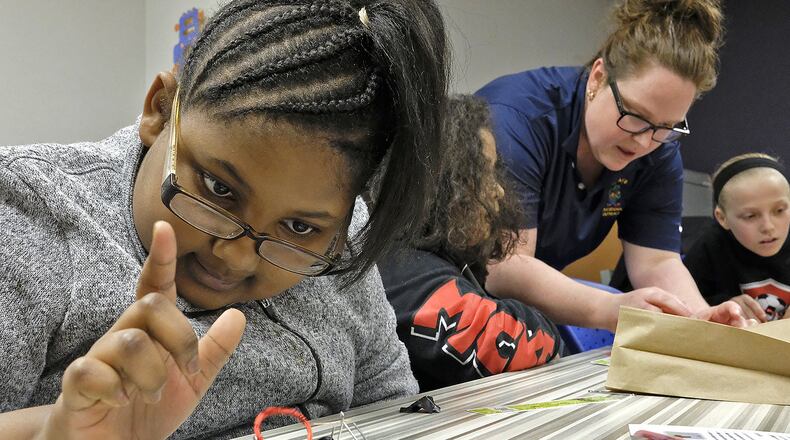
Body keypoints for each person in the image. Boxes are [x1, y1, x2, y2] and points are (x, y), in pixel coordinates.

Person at [0, 1, 448, 439]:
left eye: (299, 228)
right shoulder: (29, 212)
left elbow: (394, 410)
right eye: (218, 189)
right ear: (160, 109)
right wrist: (56, 431)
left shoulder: (341, 245)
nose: (234, 258)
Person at [475, 0, 749, 332]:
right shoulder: (516, 119)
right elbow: (507, 265)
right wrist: (612, 308)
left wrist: (701, 322)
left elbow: (657, 260)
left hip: (513, 310)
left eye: (666, 127)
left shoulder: (657, 152)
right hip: (437, 289)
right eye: (635, 115)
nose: (644, 142)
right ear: (598, 77)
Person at [378, 95, 562, 392]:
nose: (499, 191)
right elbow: (526, 344)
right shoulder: (408, 274)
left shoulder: (432, 261)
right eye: (484, 175)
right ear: (445, 184)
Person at [684, 154, 790, 322]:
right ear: (722, 218)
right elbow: (684, 306)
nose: (768, 226)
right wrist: (722, 306)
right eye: (750, 216)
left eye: (779, 210)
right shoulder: (709, 247)